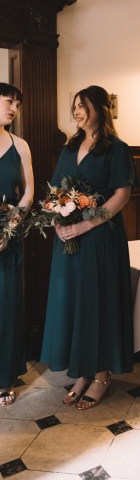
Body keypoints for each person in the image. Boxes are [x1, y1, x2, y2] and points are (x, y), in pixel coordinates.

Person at [41, 85, 135, 409]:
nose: (77, 112)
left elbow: (121, 196)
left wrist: (84, 223)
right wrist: (57, 220)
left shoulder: (117, 148)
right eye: (75, 107)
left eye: (83, 106)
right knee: (74, 305)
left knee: (99, 303)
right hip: (68, 241)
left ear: (100, 109)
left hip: (100, 238)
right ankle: (81, 372)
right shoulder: (69, 149)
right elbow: (55, 192)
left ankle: (101, 374)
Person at [0, 83, 34, 407]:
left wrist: (9, 227)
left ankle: (5, 377)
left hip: (7, 240)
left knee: (6, 308)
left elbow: (27, 194)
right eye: (10, 101)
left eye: (18, 105)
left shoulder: (19, 145)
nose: (14, 109)